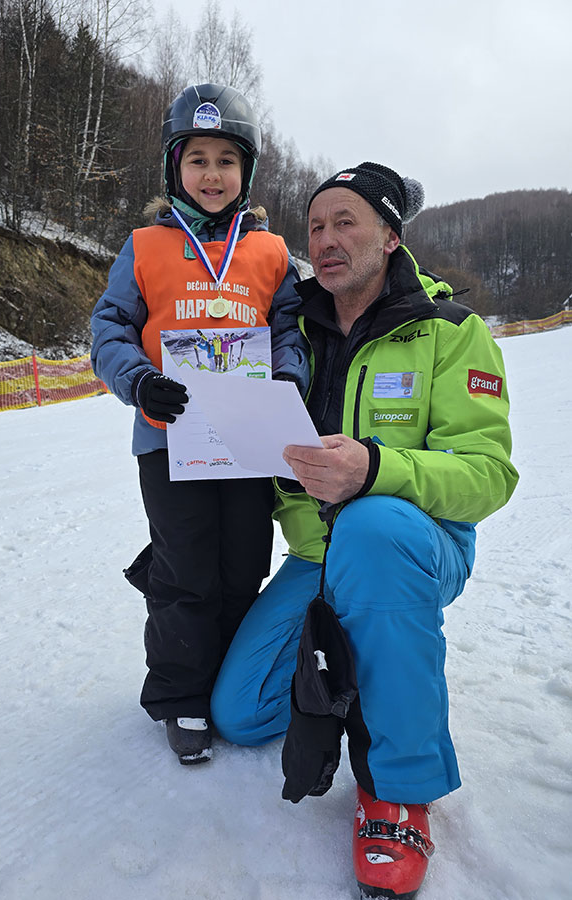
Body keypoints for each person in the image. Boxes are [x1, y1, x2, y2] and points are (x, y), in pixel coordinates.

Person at [210, 162, 519, 898]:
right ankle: (368, 666)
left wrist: (375, 469)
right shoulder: (288, 330)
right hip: (316, 556)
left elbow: (487, 475)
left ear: (390, 236)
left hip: (414, 545)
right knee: (241, 713)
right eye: (315, 226)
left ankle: (397, 789)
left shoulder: (449, 331)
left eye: (345, 222)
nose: (325, 239)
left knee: (375, 527)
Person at [90, 84, 308, 765]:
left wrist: (287, 379)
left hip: (246, 440)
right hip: (168, 437)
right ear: (173, 168)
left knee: (242, 564)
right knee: (185, 568)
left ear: (246, 171)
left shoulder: (271, 252)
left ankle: (228, 682)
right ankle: (181, 693)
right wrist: (139, 382)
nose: (212, 175)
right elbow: (108, 329)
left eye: (226, 161)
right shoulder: (144, 246)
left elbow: (289, 330)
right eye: (197, 160)